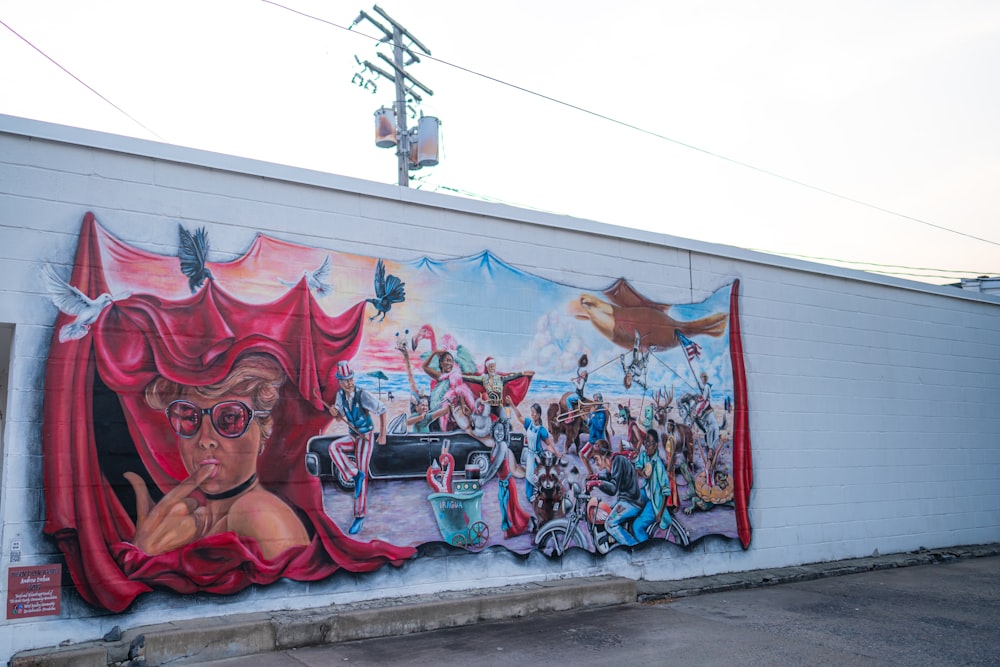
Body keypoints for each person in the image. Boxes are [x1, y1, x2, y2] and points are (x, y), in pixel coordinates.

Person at [126, 353, 310, 560]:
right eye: (189, 417)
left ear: (262, 431)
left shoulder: (257, 511)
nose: (205, 439)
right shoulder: (194, 524)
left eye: (229, 418)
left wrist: (143, 556)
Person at [326, 361, 387, 535]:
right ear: (340, 382)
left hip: (366, 437)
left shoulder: (363, 394)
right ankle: (353, 474)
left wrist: (382, 435)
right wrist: (334, 413)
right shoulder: (340, 395)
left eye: (350, 379)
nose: (349, 382)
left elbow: (382, 410)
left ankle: (359, 516)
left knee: (363, 475)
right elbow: (339, 418)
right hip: (353, 436)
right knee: (334, 447)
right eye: (345, 380)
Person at [587, 439, 646, 547]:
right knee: (606, 513)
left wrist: (598, 482)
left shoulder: (618, 461)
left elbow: (613, 488)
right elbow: (611, 478)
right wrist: (598, 477)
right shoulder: (612, 464)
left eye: (596, 459)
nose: (595, 463)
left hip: (631, 502)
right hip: (624, 500)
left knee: (610, 524)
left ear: (604, 455)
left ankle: (634, 548)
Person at [508, 397, 558, 502]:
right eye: (531, 412)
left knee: (535, 476)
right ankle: (531, 495)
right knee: (529, 475)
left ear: (539, 415)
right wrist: (512, 404)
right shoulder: (528, 424)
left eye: (534, 412)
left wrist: (557, 453)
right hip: (530, 455)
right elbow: (519, 416)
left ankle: (541, 495)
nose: (532, 414)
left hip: (537, 456)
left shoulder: (542, 430)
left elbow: (548, 444)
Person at [633, 429, 672, 540]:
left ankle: (647, 549)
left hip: (655, 501)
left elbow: (666, 491)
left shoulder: (658, 465)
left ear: (655, 445)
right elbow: (638, 465)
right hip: (646, 491)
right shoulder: (644, 455)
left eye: (649, 443)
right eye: (645, 442)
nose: (646, 446)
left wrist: (660, 513)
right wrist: (643, 474)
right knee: (631, 499)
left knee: (637, 526)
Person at [422, 349, 476, 430]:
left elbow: (459, 390)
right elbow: (424, 367)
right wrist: (434, 353)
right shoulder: (440, 376)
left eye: (451, 361)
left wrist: (463, 404)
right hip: (435, 413)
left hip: (446, 414)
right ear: (441, 364)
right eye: (447, 360)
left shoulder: (455, 376)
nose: (449, 363)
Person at [466, 356, 534, 418]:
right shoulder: (483, 378)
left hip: (498, 405)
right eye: (490, 366)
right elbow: (471, 378)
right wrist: (460, 376)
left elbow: (512, 376)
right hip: (488, 405)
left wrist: (522, 373)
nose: (492, 368)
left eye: (493, 366)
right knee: (484, 416)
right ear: (487, 368)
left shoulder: (501, 378)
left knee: (506, 417)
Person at [579, 392, 613, 475]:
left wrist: (593, 414)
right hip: (592, 439)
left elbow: (600, 427)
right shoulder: (595, 412)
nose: (594, 403)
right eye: (594, 401)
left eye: (596, 401)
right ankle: (591, 472)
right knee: (583, 455)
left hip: (598, 441)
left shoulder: (602, 413)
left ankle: (606, 472)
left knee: (602, 459)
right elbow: (590, 425)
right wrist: (585, 419)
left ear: (600, 401)